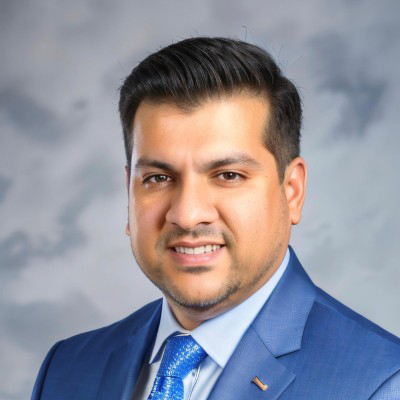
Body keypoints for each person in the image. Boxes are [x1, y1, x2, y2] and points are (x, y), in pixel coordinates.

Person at [32, 37, 400, 400]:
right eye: (158, 178)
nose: (187, 214)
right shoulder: (66, 370)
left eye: (228, 175)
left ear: (292, 191)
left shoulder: (382, 384)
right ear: (129, 193)